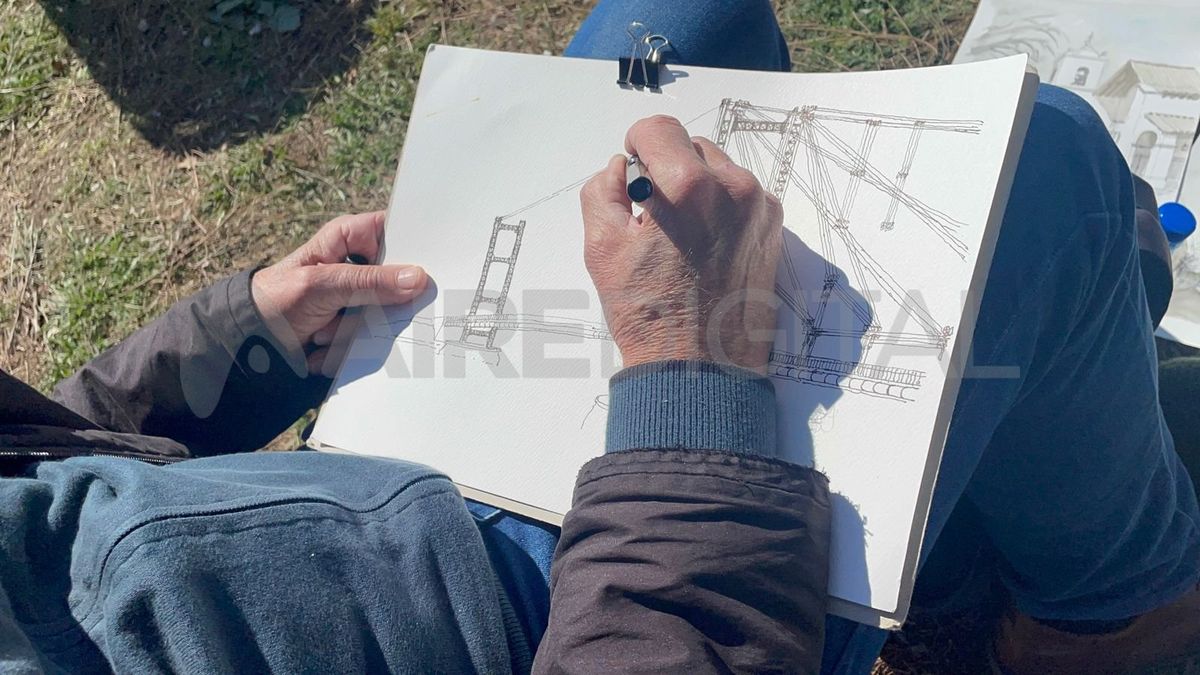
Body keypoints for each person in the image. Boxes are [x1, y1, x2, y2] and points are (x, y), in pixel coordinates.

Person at [2, 2, 1198, 674]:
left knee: (681, 17)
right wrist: (688, 373)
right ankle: (1105, 625)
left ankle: (942, 529)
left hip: (390, 468)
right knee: (1043, 171)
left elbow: (41, 469)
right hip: (585, 612)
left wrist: (241, 341)